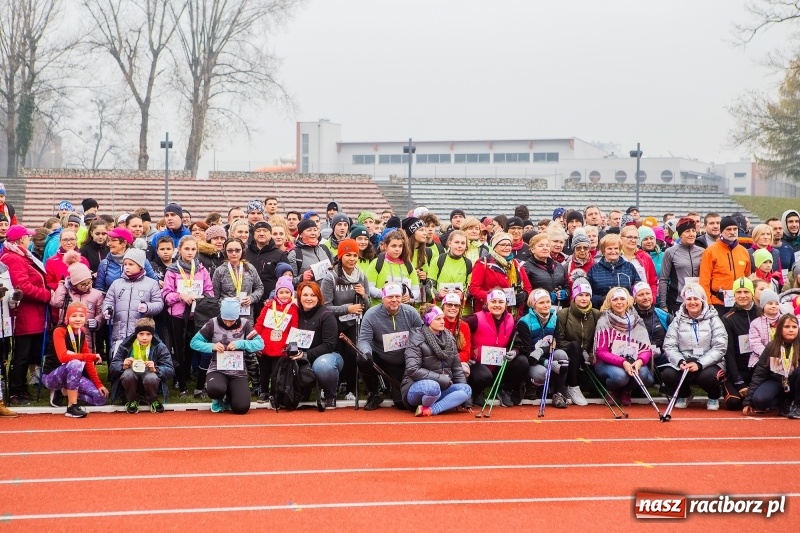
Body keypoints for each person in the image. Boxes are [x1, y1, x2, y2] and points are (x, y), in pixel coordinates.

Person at [0, 225, 51, 405]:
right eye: (27, 237)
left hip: (32, 313)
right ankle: (16, 390)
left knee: (28, 352)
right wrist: (47, 295)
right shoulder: (14, 258)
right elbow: (23, 286)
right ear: (21, 240)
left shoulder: (21, 256)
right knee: (22, 353)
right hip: (24, 313)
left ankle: (21, 388)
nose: (29, 240)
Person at [191, 298, 264, 414]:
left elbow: (260, 344)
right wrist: (212, 346)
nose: (228, 323)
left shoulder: (245, 324)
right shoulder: (212, 323)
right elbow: (194, 342)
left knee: (242, 408)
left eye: (232, 321)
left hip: (238, 371)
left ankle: (229, 396)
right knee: (215, 389)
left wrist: (241, 343)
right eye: (225, 320)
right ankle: (218, 399)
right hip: (217, 369)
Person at [357, 282, 424, 410]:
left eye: (397, 297)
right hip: (380, 359)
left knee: (401, 403)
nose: (394, 300)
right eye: (390, 297)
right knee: (361, 359)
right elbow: (364, 340)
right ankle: (373, 393)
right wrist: (366, 353)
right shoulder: (371, 315)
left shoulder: (411, 312)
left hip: (404, 361)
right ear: (383, 298)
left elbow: (421, 336)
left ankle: (393, 387)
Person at [162, 235, 214, 396]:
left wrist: (202, 297)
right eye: (187, 249)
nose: (190, 252)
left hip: (197, 315)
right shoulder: (172, 270)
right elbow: (165, 295)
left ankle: (199, 382)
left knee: (197, 349)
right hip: (177, 315)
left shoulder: (201, 269)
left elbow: (209, 291)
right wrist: (180, 296)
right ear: (179, 250)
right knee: (179, 350)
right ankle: (181, 384)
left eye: (193, 249)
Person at [662, 283, 728, 410]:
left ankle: (713, 396)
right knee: (668, 374)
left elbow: (720, 347)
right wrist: (680, 361)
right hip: (685, 360)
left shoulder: (714, 319)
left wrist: (699, 364)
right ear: (684, 301)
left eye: (696, 299)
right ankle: (685, 394)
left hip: (710, 363)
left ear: (702, 300)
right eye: (689, 299)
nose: (692, 302)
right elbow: (669, 345)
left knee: (707, 377)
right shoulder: (678, 319)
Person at [321, 238, 369, 401]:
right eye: (348, 255)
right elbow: (325, 307)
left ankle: (351, 388)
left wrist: (364, 296)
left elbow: (366, 305)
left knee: (352, 354)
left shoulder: (361, 275)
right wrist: (347, 308)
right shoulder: (330, 278)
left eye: (355, 255)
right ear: (340, 256)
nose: (352, 259)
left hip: (353, 323)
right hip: (333, 323)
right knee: (334, 353)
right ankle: (330, 387)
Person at [402, 304, 471, 416]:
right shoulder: (416, 338)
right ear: (428, 320)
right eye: (438, 319)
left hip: (443, 387)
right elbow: (412, 369)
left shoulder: (449, 337)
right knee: (433, 387)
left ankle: (430, 410)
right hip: (416, 388)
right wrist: (441, 379)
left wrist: (465, 401)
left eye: (442, 318)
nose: (442, 321)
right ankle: (431, 405)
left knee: (466, 389)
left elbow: (457, 369)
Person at [42, 302, 109, 417]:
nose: (78, 319)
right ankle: (71, 406)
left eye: (81, 316)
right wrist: (90, 356)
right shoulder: (59, 331)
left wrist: (99, 384)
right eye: (74, 316)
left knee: (100, 398)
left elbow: (88, 361)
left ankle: (64, 392)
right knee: (75, 363)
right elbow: (63, 357)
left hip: (72, 375)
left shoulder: (81, 332)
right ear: (67, 317)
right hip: (51, 377)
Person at [464, 288, 528, 407]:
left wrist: (514, 351)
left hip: (499, 363)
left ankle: (505, 390)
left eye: (500, 302)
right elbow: (462, 331)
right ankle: (477, 392)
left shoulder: (511, 320)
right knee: (484, 376)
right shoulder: (476, 318)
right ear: (487, 303)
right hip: (478, 364)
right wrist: (467, 354)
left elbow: (517, 342)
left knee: (522, 362)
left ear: (506, 304)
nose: (497, 305)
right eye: (493, 302)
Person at [593, 287, 654, 406]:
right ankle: (612, 391)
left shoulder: (637, 320)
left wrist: (640, 361)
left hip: (633, 359)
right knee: (620, 376)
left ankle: (626, 391)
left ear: (628, 302)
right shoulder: (604, 321)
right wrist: (623, 362)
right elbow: (601, 351)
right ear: (610, 302)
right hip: (607, 363)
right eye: (615, 299)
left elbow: (646, 348)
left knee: (643, 374)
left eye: (622, 299)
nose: (619, 302)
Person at [516, 289, 570, 408]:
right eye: (541, 303)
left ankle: (558, 393)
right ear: (533, 305)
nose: (546, 305)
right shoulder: (524, 322)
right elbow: (527, 352)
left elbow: (557, 343)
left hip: (547, 354)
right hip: (532, 360)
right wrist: (546, 362)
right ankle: (531, 385)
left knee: (562, 356)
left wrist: (543, 350)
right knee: (542, 374)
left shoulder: (554, 318)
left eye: (548, 302)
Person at [103, 248, 164, 350]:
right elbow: (108, 301)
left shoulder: (151, 283)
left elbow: (159, 304)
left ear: (140, 266)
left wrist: (148, 307)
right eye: (125, 264)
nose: (127, 267)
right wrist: (107, 309)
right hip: (119, 332)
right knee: (119, 361)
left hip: (141, 332)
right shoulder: (116, 283)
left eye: (131, 264)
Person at [110, 317, 174, 414]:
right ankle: (132, 400)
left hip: (149, 375)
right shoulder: (126, 345)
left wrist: (156, 369)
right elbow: (112, 367)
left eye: (148, 334)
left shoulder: (160, 346)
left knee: (151, 378)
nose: (144, 337)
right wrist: (123, 365)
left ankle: (152, 400)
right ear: (136, 334)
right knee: (128, 375)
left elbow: (170, 370)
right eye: (141, 334)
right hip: (131, 374)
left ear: (153, 334)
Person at [742, 313, 800, 418]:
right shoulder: (771, 346)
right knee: (760, 400)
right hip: (777, 381)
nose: (791, 330)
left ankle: (797, 405)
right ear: (779, 328)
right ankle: (781, 402)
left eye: (794, 327)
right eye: (787, 327)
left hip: (795, 383)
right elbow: (760, 373)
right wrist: (748, 401)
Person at [295, 281, 340, 409]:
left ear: (318, 297)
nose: (309, 298)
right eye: (305, 295)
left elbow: (329, 345)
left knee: (323, 366)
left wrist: (305, 355)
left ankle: (330, 394)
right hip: (300, 356)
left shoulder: (326, 315)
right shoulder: (294, 313)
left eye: (313, 295)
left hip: (328, 356)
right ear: (299, 296)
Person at [253, 276, 299, 402]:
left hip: (281, 347)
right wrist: (255, 336)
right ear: (276, 292)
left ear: (291, 293)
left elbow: (294, 327)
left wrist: (291, 345)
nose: (284, 295)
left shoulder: (294, 308)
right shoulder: (268, 305)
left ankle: (274, 393)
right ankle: (263, 392)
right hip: (266, 344)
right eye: (281, 292)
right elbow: (260, 323)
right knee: (264, 371)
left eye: (287, 292)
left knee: (276, 372)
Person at [718, 277, 760, 411]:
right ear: (734, 295)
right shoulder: (727, 318)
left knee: (761, 401)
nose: (742, 296)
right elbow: (728, 353)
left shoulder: (761, 314)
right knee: (734, 403)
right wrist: (738, 381)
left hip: (758, 370)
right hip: (739, 371)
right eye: (739, 292)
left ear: (752, 293)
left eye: (746, 292)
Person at [554, 281, 598, 406]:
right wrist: (580, 351)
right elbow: (560, 340)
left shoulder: (596, 314)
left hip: (587, 360)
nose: (584, 298)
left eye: (587, 295)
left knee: (591, 385)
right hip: (570, 356)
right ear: (574, 296)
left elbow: (598, 340)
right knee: (575, 345)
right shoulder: (563, 314)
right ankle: (573, 386)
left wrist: (589, 354)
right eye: (580, 295)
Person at [468, 232, 531, 317]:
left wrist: (524, 295)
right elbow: (474, 288)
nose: (507, 248)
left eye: (509, 245)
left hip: (512, 314)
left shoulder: (516, 264)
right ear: (494, 247)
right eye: (503, 245)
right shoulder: (483, 263)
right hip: (489, 313)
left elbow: (528, 288)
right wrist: (494, 297)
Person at [50, 255, 105, 351]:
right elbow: (56, 303)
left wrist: (97, 321)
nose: (87, 286)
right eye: (83, 284)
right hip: (68, 331)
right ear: (74, 284)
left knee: (86, 355)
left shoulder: (97, 294)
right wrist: (62, 286)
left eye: (89, 283)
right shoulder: (67, 293)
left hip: (87, 332)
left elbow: (101, 313)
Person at [699, 215, 752, 315]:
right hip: (717, 303)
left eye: (735, 229)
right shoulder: (710, 251)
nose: (732, 232)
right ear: (721, 231)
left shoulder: (744, 251)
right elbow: (704, 280)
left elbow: (746, 278)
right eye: (728, 229)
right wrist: (708, 303)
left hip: (739, 302)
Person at [658, 217, 704, 314]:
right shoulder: (670, 252)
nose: (691, 234)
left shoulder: (702, 252)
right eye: (687, 231)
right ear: (680, 234)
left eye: (693, 231)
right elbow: (663, 279)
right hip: (677, 301)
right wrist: (663, 305)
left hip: (697, 300)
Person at [212, 237, 264, 321]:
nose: (234, 253)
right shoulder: (220, 271)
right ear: (225, 252)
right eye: (230, 251)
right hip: (226, 316)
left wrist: (252, 298)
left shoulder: (250, 268)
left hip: (246, 316)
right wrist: (225, 305)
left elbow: (259, 288)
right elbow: (215, 295)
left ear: (242, 251)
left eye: (237, 250)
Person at [245, 220, 288, 319]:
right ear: (254, 234)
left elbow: (286, 279)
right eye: (258, 231)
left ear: (270, 234)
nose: (261, 233)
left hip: (270, 302)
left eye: (265, 231)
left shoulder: (279, 254)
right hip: (248, 302)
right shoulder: (246, 253)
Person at [365, 230, 420, 305]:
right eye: (393, 246)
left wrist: (410, 297)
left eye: (400, 246)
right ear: (385, 246)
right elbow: (369, 288)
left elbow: (416, 289)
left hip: (402, 310)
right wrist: (388, 294)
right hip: (380, 310)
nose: (397, 249)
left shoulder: (408, 265)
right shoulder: (377, 263)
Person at [95, 227, 158, 292]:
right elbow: (99, 290)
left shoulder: (141, 260)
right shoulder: (104, 263)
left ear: (124, 243)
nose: (108, 244)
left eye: (113, 240)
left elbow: (154, 284)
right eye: (109, 240)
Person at [586, 234, 641, 308]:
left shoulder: (629, 267)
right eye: (609, 248)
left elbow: (638, 290)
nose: (613, 251)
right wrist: (600, 300)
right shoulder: (594, 269)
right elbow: (587, 293)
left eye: (616, 248)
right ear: (603, 250)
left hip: (626, 311)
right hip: (602, 311)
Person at [631, 281, 671, 372]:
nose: (645, 297)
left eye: (648, 293)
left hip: (661, 356)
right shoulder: (630, 316)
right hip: (639, 357)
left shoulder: (662, 314)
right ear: (634, 298)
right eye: (641, 295)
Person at [523, 233, 568, 308]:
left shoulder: (558, 265)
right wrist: (544, 296)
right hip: (538, 309)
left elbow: (566, 285)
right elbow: (527, 292)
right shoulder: (526, 267)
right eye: (541, 246)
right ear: (532, 249)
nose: (545, 248)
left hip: (559, 308)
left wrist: (566, 293)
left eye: (547, 245)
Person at [428, 230, 472, 306]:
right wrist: (438, 294)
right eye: (457, 242)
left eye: (463, 243)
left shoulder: (468, 263)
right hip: (441, 308)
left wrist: (463, 295)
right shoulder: (438, 260)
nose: (460, 246)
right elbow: (429, 286)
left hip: (461, 310)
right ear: (449, 243)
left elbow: (470, 288)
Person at [288, 218, 334, 287]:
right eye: (309, 230)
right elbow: (288, 282)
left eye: (315, 230)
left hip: (327, 295)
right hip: (307, 295)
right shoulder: (294, 254)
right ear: (300, 235)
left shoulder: (325, 249)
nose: (313, 233)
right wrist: (301, 278)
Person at [619, 224, 658, 297]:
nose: (633, 240)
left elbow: (653, 282)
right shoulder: (617, 256)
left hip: (643, 300)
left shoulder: (645, 256)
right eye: (629, 237)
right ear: (621, 238)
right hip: (621, 300)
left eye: (636, 237)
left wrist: (652, 297)